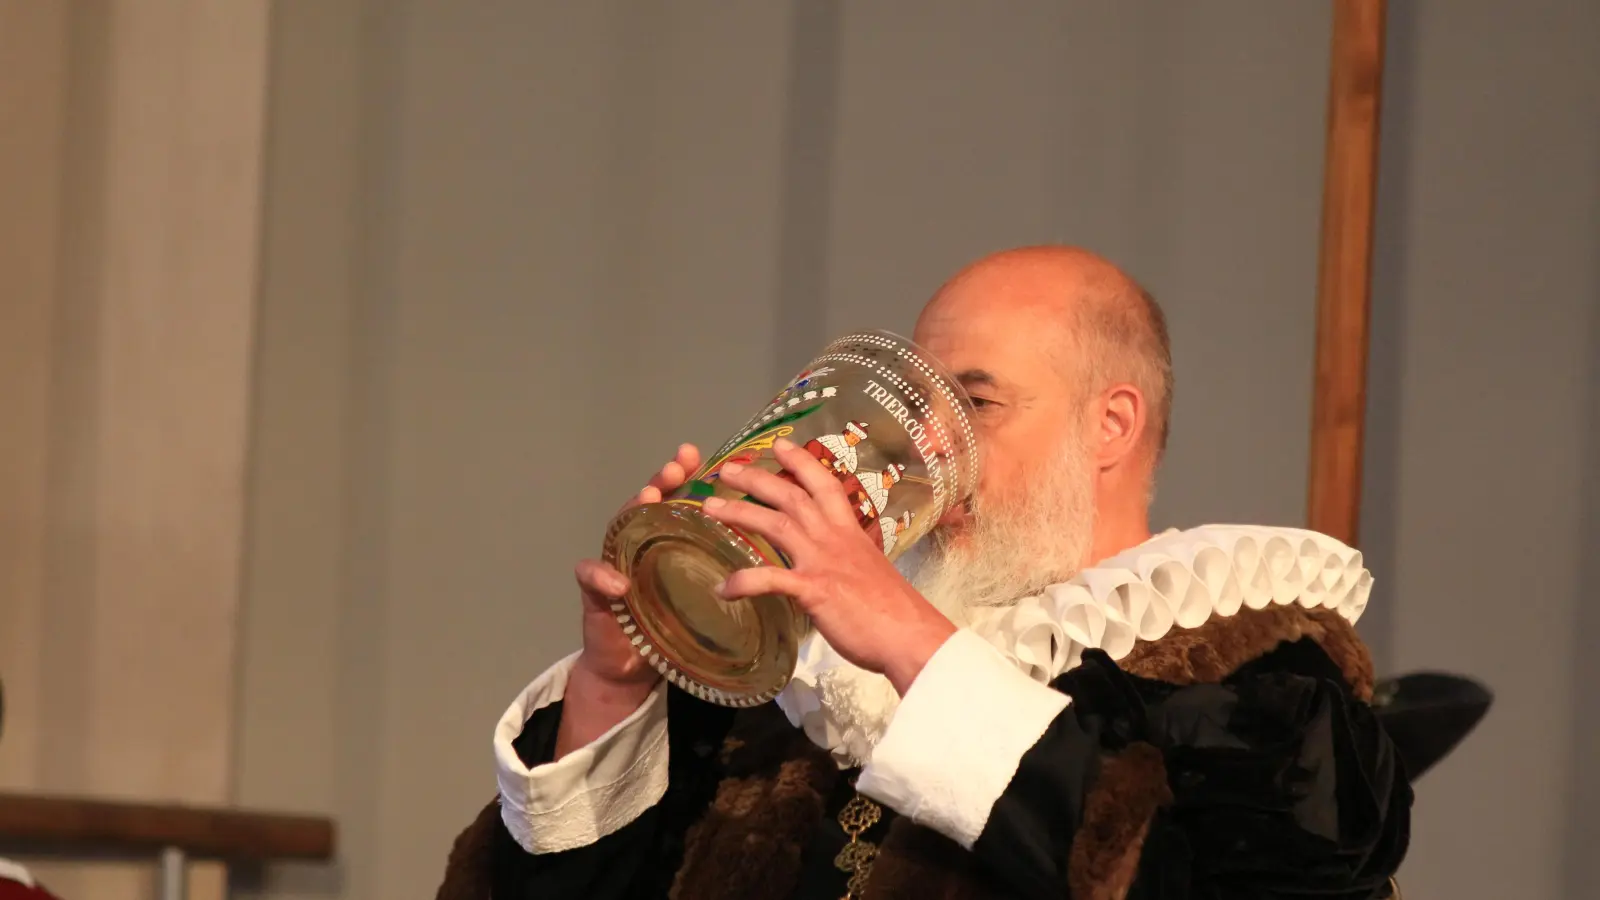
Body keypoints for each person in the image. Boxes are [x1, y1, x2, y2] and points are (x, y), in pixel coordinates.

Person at [436, 246, 1411, 900]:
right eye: (921, 411)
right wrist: (615, 688)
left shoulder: (1258, 671)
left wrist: (913, 643)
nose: (925, 453)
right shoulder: (808, 675)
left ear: (1111, 425)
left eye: (975, 406)